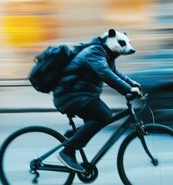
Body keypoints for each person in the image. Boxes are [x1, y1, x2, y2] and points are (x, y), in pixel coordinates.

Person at [53, 29, 141, 173]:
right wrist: (127, 90)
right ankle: (67, 151)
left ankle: (73, 137)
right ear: (110, 38)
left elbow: (114, 73)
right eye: (122, 43)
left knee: (101, 116)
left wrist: (133, 84)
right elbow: (105, 73)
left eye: (128, 43)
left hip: (81, 95)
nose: (128, 47)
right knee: (103, 115)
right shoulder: (95, 52)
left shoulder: (106, 54)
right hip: (70, 96)